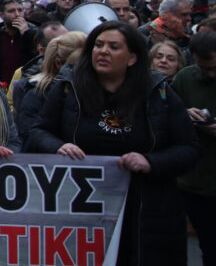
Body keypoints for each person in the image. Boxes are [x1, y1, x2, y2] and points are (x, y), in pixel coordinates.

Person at [28, 20, 200, 266]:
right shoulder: (69, 87)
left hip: (147, 212)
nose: (103, 51)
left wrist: (151, 161)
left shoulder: (159, 93)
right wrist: (57, 146)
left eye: (113, 46)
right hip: (82, 209)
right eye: (98, 45)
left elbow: (190, 149)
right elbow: (38, 131)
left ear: (132, 58)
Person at [174, 31, 216, 266]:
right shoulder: (186, 79)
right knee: (209, 248)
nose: (210, 74)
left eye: (214, 68)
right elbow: (167, 122)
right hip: (197, 184)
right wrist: (185, 115)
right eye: (204, 69)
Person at [13, 31, 86, 144]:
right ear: (58, 63)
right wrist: (57, 147)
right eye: (80, 67)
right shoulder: (37, 93)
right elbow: (29, 135)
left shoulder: (98, 90)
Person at [0, 0, 38, 84]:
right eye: (11, 11)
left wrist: (27, 35)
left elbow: (36, 59)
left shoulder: (35, 33)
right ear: (1, 15)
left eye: (20, 10)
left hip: (24, 86)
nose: (17, 14)